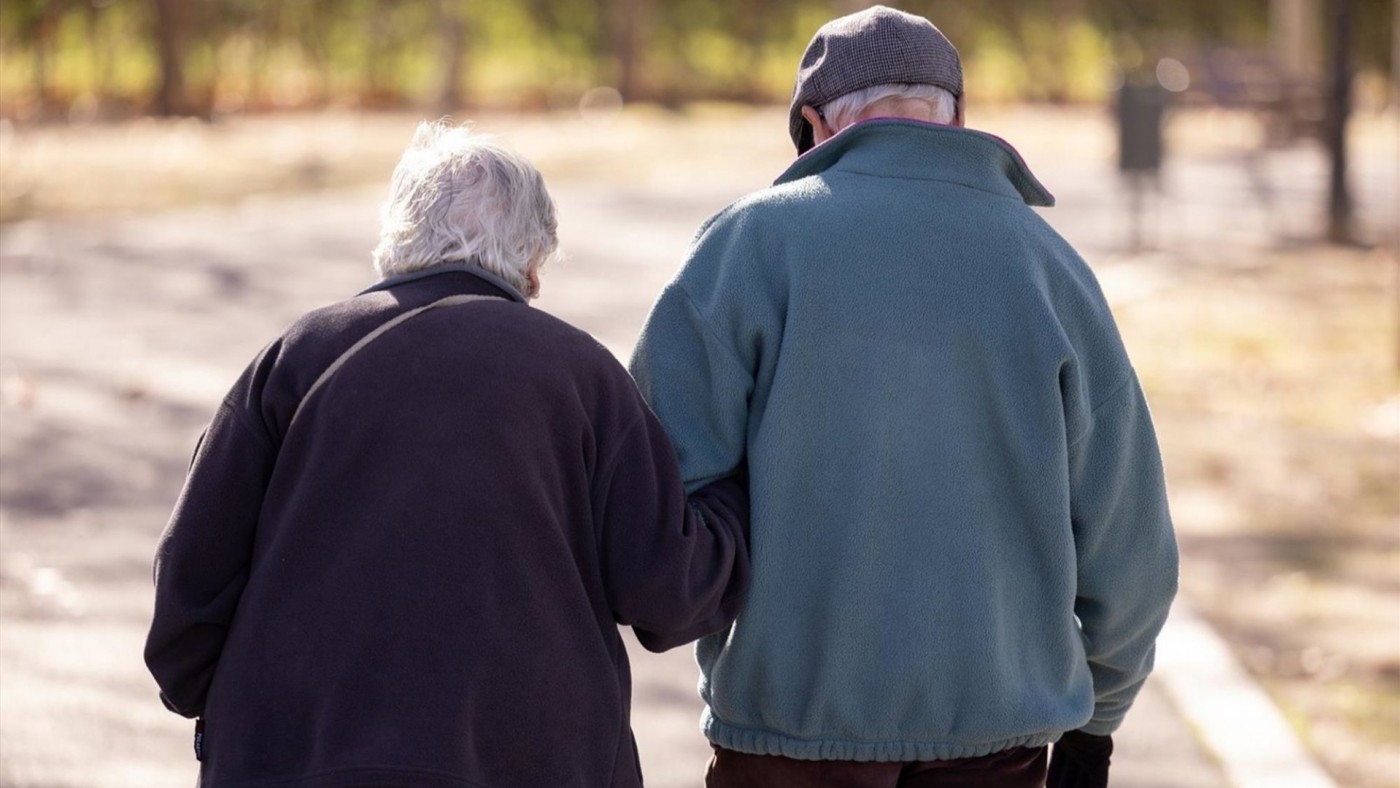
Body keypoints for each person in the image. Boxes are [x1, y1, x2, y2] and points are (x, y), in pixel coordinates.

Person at [628, 6, 1179, 787]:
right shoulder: (1050, 267)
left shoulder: (746, 247)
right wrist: (1097, 725)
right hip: (1000, 740)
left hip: (787, 737)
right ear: (956, 118)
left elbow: (658, 496)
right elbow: (1132, 553)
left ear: (815, 127)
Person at [144, 121, 751, 788]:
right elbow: (668, 592)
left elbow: (189, 592)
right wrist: (733, 502)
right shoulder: (582, 374)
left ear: (396, 242)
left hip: (300, 759)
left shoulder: (297, 357)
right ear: (532, 264)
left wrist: (245, 717)